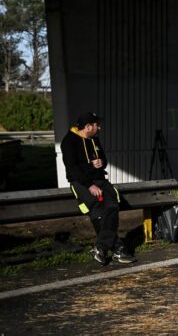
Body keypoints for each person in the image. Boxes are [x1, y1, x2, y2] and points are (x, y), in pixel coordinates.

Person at [60, 112, 136, 266]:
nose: (99, 128)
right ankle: (118, 249)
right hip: (81, 183)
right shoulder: (69, 141)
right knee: (98, 214)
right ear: (88, 127)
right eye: (97, 125)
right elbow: (72, 169)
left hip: (100, 180)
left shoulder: (94, 139)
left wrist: (102, 162)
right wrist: (90, 185)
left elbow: (104, 159)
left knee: (112, 207)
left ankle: (100, 248)